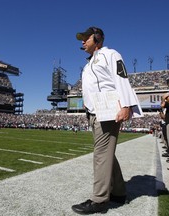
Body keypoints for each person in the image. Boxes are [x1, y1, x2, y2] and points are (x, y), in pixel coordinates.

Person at [71, 26, 140, 214]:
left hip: (109, 110)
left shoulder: (111, 54)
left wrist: (126, 105)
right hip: (94, 112)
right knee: (106, 153)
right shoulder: (88, 64)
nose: (83, 41)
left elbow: (122, 79)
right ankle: (118, 192)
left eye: (86, 38)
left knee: (101, 154)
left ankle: (99, 199)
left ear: (97, 38)